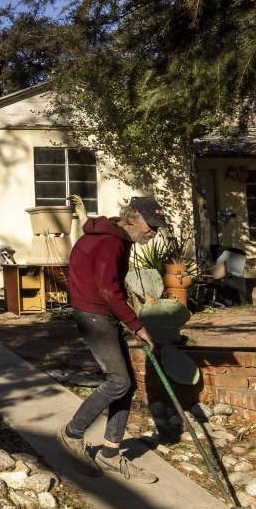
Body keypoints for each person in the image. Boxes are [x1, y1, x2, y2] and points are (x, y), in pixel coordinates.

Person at [55, 196, 167, 483]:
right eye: (149, 225)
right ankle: (72, 433)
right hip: (95, 314)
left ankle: (110, 453)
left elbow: (108, 285)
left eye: (156, 227)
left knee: (125, 385)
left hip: (100, 313)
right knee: (119, 382)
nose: (152, 232)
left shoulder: (111, 235)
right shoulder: (111, 241)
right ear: (132, 218)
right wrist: (137, 325)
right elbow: (108, 289)